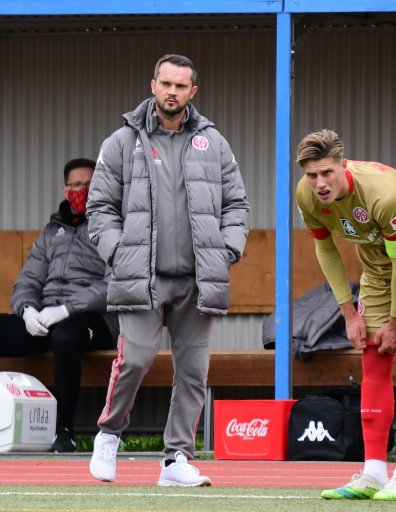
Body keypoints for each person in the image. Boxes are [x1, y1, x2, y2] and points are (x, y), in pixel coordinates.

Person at [86, 54, 249, 487]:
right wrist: (119, 252)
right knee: (134, 361)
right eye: (166, 84)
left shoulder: (214, 143)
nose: (172, 92)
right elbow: (99, 208)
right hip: (141, 275)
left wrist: (227, 248)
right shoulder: (121, 142)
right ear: (153, 85)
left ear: (193, 92)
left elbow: (236, 205)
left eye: (181, 85)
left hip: (198, 280)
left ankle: (176, 459)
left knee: (193, 373)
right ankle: (108, 435)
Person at [295, 129, 396, 501]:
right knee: (373, 354)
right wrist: (349, 313)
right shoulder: (307, 195)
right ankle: (372, 473)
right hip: (378, 265)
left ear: (342, 164)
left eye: (327, 173)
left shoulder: (380, 193)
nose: (320, 183)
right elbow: (327, 251)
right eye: (311, 175)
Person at [0, 158, 119, 453]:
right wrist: (27, 310)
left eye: (89, 184)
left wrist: (67, 309)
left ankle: (64, 431)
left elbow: (116, 284)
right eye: (76, 185)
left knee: (65, 336)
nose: (83, 190)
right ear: (65, 189)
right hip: (45, 319)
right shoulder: (52, 231)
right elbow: (28, 280)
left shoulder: (114, 226)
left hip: (96, 320)